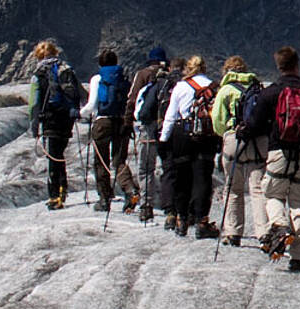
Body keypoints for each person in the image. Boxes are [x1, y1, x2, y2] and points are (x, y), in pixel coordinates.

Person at [236, 46, 300, 271]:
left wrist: (242, 132)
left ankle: (280, 225)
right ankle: (299, 256)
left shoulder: (271, 93)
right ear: (297, 65)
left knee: (273, 194)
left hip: (279, 152)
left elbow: (255, 124)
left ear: (279, 66)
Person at [160, 55, 220, 238]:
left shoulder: (181, 86)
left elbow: (171, 115)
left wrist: (164, 139)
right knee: (203, 179)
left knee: (182, 178)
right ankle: (202, 221)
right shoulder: (213, 87)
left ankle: (181, 219)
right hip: (206, 137)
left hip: (183, 135)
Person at [210, 55, 264, 245]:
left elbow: (217, 121)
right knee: (257, 188)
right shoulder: (256, 87)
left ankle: (233, 232)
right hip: (257, 142)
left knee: (233, 188)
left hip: (234, 139)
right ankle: (263, 232)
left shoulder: (225, 90)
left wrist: (225, 133)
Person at [26, 40, 82, 210]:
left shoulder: (39, 74)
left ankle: (54, 196)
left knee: (53, 155)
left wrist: (34, 124)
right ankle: (62, 187)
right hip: (67, 117)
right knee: (59, 151)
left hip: (50, 118)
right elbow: (79, 91)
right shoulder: (66, 69)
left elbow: (34, 103)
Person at [81, 48, 131, 212]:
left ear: (100, 63)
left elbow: (92, 104)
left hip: (103, 122)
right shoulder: (123, 77)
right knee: (119, 159)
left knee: (101, 161)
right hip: (121, 121)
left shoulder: (97, 78)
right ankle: (130, 191)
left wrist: (80, 113)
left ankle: (104, 199)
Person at [126, 47, 171, 222]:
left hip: (147, 127)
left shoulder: (142, 74)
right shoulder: (171, 78)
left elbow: (132, 98)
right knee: (169, 168)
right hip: (168, 125)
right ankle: (172, 209)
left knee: (146, 169)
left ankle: (146, 206)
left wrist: (127, 122)